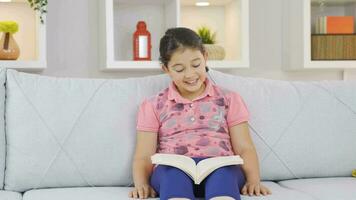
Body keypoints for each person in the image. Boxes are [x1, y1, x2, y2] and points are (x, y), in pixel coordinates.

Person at [129, 27, 271, 200]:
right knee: (171, 175)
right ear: (166, 68)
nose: (190, 74)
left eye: (196, 65)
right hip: (173, 169)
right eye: (179, 69)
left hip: (220, 166)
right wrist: (141, 184)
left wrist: (253, 180)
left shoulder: (229, 99)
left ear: (205, 57)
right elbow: (144, 154)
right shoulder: (153, 105)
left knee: (224, 175)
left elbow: (244, 148)